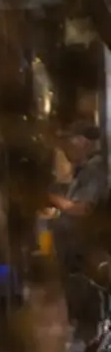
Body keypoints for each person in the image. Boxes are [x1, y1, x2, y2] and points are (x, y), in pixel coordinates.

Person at [48, 121, 108, 340]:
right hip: (76, 261)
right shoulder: (82, 172)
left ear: (83, 142)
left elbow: (83, 208)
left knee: (88, 318)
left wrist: (53, 200)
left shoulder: (95, 168)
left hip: (85, 261)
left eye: (68, 141)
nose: (65, 148)